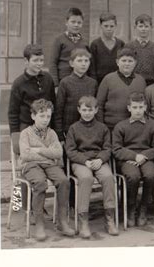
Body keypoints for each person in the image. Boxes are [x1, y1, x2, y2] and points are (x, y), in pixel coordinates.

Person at [19, 99, 75, 241]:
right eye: (41, 116)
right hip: (31, 165)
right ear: (33, 116)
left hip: (49, 165)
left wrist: (38, 150)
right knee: (40, 182)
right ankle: (39, 223)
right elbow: (25, 155)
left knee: (63, 181)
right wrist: (47, 152)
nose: (45, 120)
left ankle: (62, 221)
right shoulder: (25, 133)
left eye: (48, 116)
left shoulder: (52, 133)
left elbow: (58, 153)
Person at [65, 96, 118, 238]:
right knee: (86, 178)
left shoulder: (102, 128)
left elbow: (107, 148)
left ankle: (110, 219)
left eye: (90, 110)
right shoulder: (73, 128)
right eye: (84, 110)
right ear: (78, 110)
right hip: (81, 162)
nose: (87, 113)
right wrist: (84, 161)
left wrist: (101, 159)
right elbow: (70, 151)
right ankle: (83, 222)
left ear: (96, 110)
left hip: (98, 160)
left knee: (108, 177)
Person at [112, 92, 154, 227]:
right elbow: (116, 149)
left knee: (151, 175)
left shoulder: (153, 126)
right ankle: (130, 208)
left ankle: (143, 208)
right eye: (135, 107)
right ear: (129, 108)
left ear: (145, 107)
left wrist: (144, 156)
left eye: (140, 107)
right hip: (128, 160)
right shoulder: (121, 126)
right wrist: (134, 156)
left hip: (146, 158)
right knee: (133, 176)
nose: (138, 110)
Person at [9, 44, 56, 135]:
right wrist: (15, 135)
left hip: (46, 126)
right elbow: (13, 113)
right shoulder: (18, 83)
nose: (39, 63)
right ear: (26, 61)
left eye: (41, 60)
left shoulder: (48, 78)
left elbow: (53, 104)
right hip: (27, 128)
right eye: (35, 60)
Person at [96, 47, 146, 131]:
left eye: (130, 61)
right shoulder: (108, 79)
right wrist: (102, 126)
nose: (127, 64)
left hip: (134, 127)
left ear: (135, 63)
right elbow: (99, 105)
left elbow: (144, 105)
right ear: (117, 62)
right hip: (111, 126)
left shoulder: (141, 80)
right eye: (124, 61)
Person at [54, 48, 98, 142]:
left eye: (86, 61)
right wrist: (60, 135)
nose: (83, 64)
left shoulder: (93, 83)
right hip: (69, 130)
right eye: (79, 60)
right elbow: (58, 111)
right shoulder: (65, 83)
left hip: (88, 130)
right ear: (71, 63)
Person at [49, 7, 91, 86]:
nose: (76, 25)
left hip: (81, 80)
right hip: (63, 80)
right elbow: (53, 63)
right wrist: (55, 85)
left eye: (79, 23)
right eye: (73, 22)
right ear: (66, 22)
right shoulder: (59, 40)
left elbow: (88, 62)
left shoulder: (85, 42)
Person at [89, 12, 125, 84]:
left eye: (111, 26)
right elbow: (92, 67)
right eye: (106, 26)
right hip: (100, 81)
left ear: (116, 26)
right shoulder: (95, 44)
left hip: (117, 80)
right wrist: (94, 82)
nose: (109, 29)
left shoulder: (120, 44)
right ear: (100, 26)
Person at [126, 14, 154, 86]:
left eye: (146, 26)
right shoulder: (129, 46)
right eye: (140, 26)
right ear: (135, 28)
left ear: (151, 28)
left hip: (152, 82)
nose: (143, 29)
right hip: (133, 81)